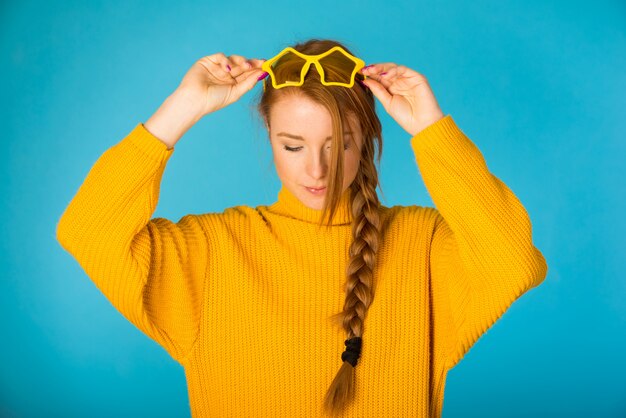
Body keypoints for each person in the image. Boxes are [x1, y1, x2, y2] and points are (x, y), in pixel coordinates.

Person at [56, 38, 548, 417]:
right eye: (293, 146)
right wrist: (182, 107)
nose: (316, 170)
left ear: (369, 139)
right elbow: (88, 231)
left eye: (339, 144)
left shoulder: (423, 246)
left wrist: (432, 129)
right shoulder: (212, 250)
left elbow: (512, 261)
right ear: (268, 136)